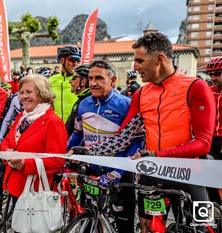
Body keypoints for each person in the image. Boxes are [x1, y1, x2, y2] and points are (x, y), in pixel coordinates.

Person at [72, 32, 215, 233]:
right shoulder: (141, 93)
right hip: (153, 173)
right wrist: (89, 151)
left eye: (139, 61)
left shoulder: (196, 87)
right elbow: (123, 137)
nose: (135, 67)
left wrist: (157, 155)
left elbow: (203, 143)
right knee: (149, 229)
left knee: (205, 227)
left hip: (191, 174)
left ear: (160, 59)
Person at [67, 60, 142, 233]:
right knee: (88, 221)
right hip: (92, 171)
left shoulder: (126, 104)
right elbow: (77, 135)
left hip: (119, 171)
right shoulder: (83, 104)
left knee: (124, 226)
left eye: (99, 78)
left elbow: (137, 141)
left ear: (113, 80)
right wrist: (66, 156)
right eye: (91, 78)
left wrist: (118, 172)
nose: (93, 83)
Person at [0, 73, 67, 211]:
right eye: (22, 92)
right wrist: (6, 152)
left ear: (42, 94)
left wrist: (26, 163)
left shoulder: (53, 122)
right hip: (16, 186)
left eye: (29, 92)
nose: (23, 96)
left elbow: (57, 160)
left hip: (36, 191)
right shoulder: (22, 117)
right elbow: (8, 140)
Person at [205, 56, 222, 205]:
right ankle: (214, 207)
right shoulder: (208, 91)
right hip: (211, 139)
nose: (213, 77)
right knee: (208, 176)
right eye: (210, 74)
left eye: (217, 73)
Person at [49, 46, 80, 122]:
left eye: (77, 61)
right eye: (72, 60)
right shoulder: (51, 80)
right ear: (62, 60)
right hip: (56, 126)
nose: (75, 64)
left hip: (74, 128)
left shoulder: (80, 80)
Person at [65, 64, 91, 137]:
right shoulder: (82, 99)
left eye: (74, 78)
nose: (70, 81)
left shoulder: (87, 102)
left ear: (83, 81)